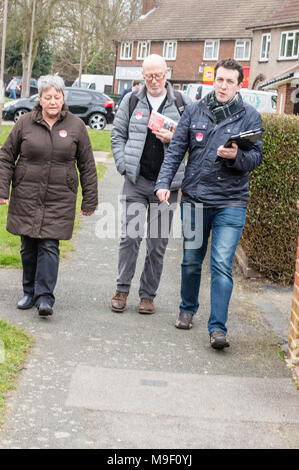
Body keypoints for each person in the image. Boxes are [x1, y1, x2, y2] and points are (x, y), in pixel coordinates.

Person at [155, 58, 263, 349]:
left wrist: (235, 157)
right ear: (212, 81)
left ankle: (218, 329)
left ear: (239, 84)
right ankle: (187, 308)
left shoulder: (250, 116)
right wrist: (163, 183)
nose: (223, 86)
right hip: (196, 199)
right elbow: (176, 149)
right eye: (219, 80)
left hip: (231, 202)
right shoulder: (194, 110)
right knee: (191, 260)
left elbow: (255, 159)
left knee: (221, 264)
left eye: (230, 81)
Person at [0, 75, 98, 317]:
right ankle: (29, 291)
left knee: (49, 245)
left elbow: (87, 165)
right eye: (48, 97)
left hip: (59, 196)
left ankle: (45, 297)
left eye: (57, 97)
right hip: (27, 194)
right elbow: (5, 156)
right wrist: (2, 189)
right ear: (40, 99)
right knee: (28, 246)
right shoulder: (24, 123)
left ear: (63, 98)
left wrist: (90, 199)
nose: (53, 101)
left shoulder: (76, 126)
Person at [110, 54, 191, 315]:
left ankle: (147, 295)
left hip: (167, 186)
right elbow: (117, 134)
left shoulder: (181, 103)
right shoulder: (132, 100)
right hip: (137, 182)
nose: (154, 80)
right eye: (148, 76)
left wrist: (174, 136)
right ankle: (122, 289)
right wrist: (124, 166)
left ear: (167, 73)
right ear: (142, 75)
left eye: (158, 75)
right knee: (130, 238)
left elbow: (194, 141)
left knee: (157, 244)